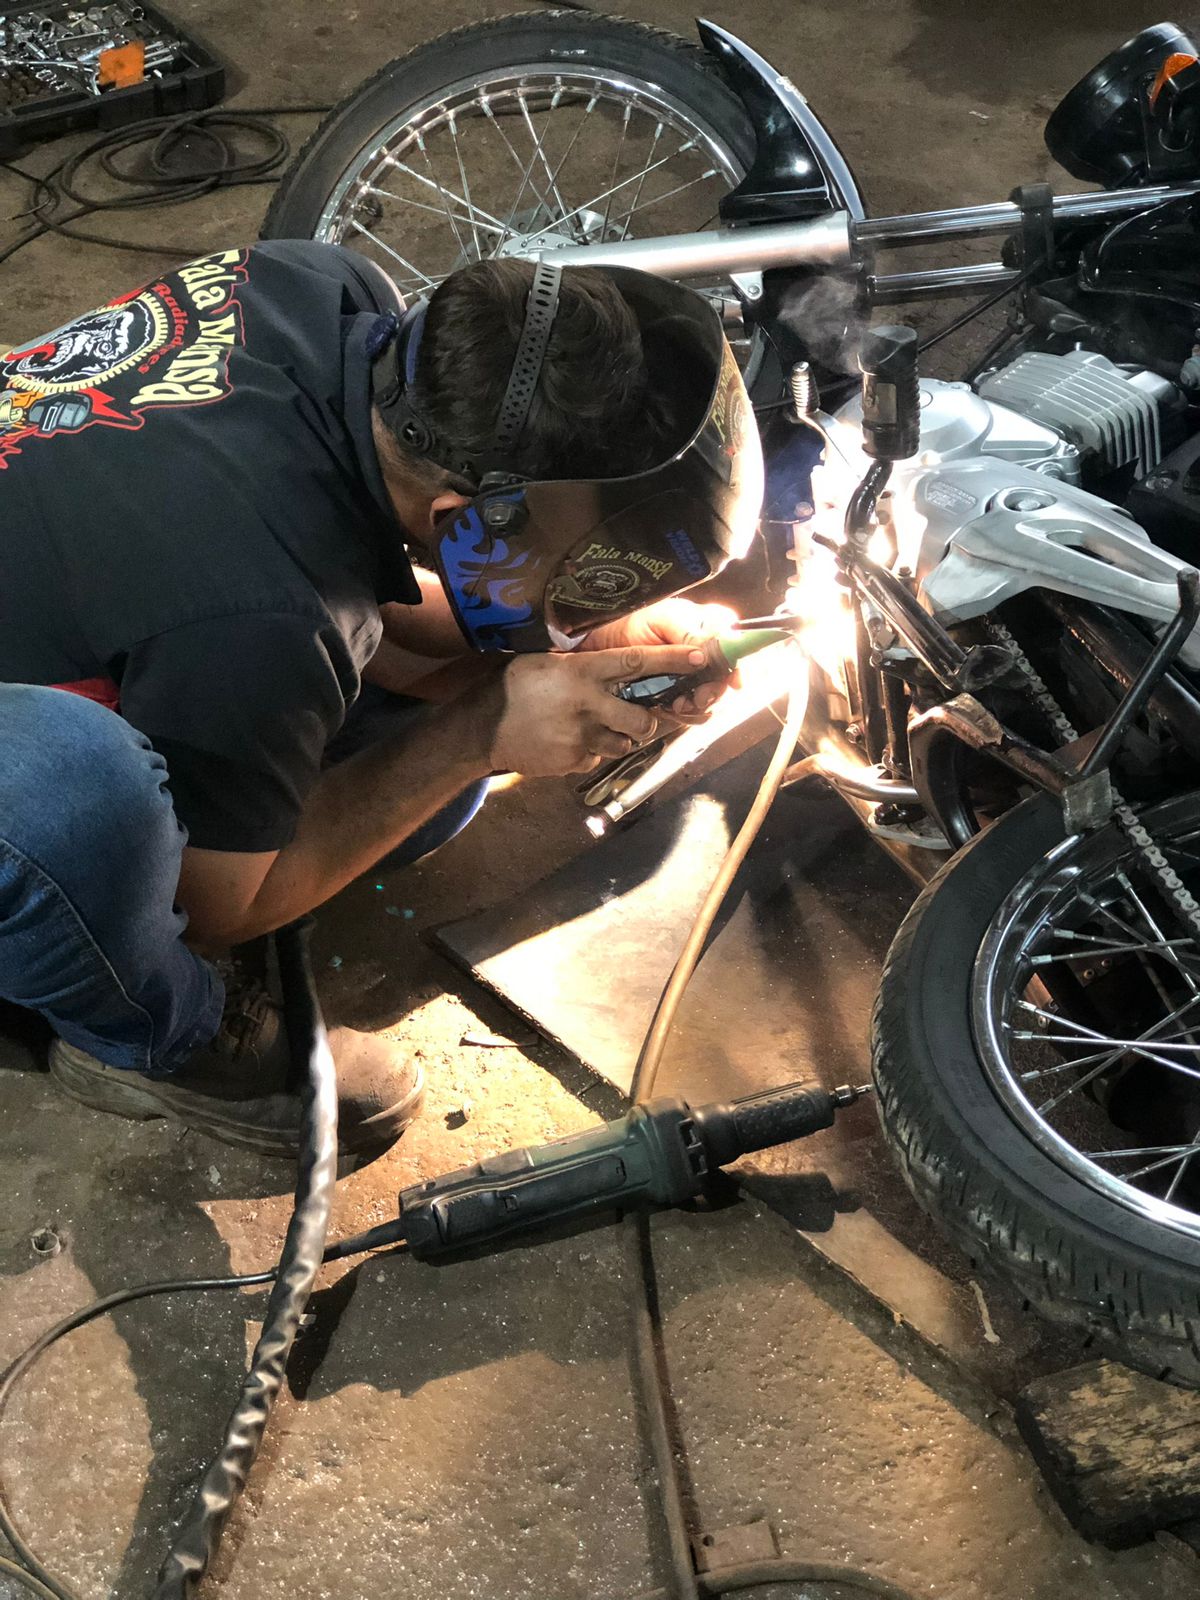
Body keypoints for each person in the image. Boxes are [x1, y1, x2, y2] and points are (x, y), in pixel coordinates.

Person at [0, 242, 762, 1158]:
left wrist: (579, 629)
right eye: (586, 571)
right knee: (81, 803)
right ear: (460, 519)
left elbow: (359, 599)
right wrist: (480, 732)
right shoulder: (262, 612)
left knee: (423, 777)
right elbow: (213, 910)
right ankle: (153, 1034)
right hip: (38, 775)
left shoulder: (323, 293)